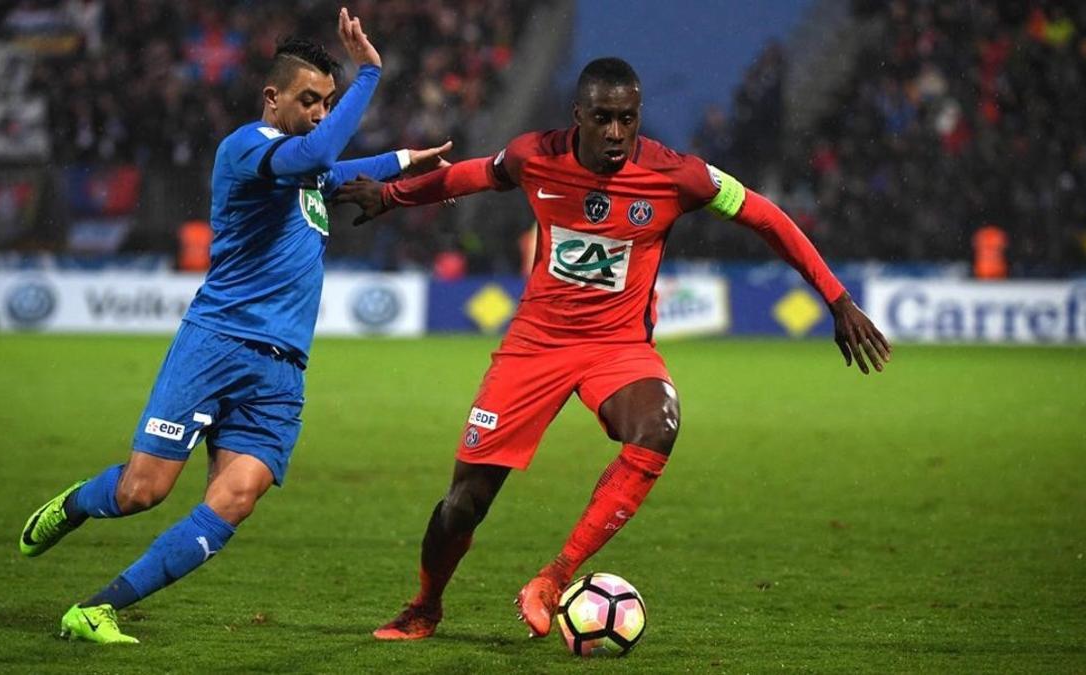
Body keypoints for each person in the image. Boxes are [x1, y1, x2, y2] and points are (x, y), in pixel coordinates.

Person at [335, 57, 892, 641]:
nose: (616, 133)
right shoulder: (535, 155)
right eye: (602, 119)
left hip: (617, 348)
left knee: (660, 424)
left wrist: (837, 299)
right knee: (464, 503)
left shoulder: (679, 175)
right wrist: (393, 195)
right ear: (578, 116)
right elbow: (470, 175)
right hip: (534, 347)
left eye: (627, 119)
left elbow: (767, 217)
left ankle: (554, 578)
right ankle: (426, 605)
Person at [17, 7, 451, 644]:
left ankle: (98, 607)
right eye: (310, 101)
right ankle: (79, 502)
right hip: (217, 345)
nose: (321, 114)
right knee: (143, 492)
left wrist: (409, 158)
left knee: (237, 497)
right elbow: (322, 154)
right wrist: (369, 76)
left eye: (329, 102)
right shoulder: (247, 147)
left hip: (282, 369)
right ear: (272, 98)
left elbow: (338, 168)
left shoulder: (306, 167)